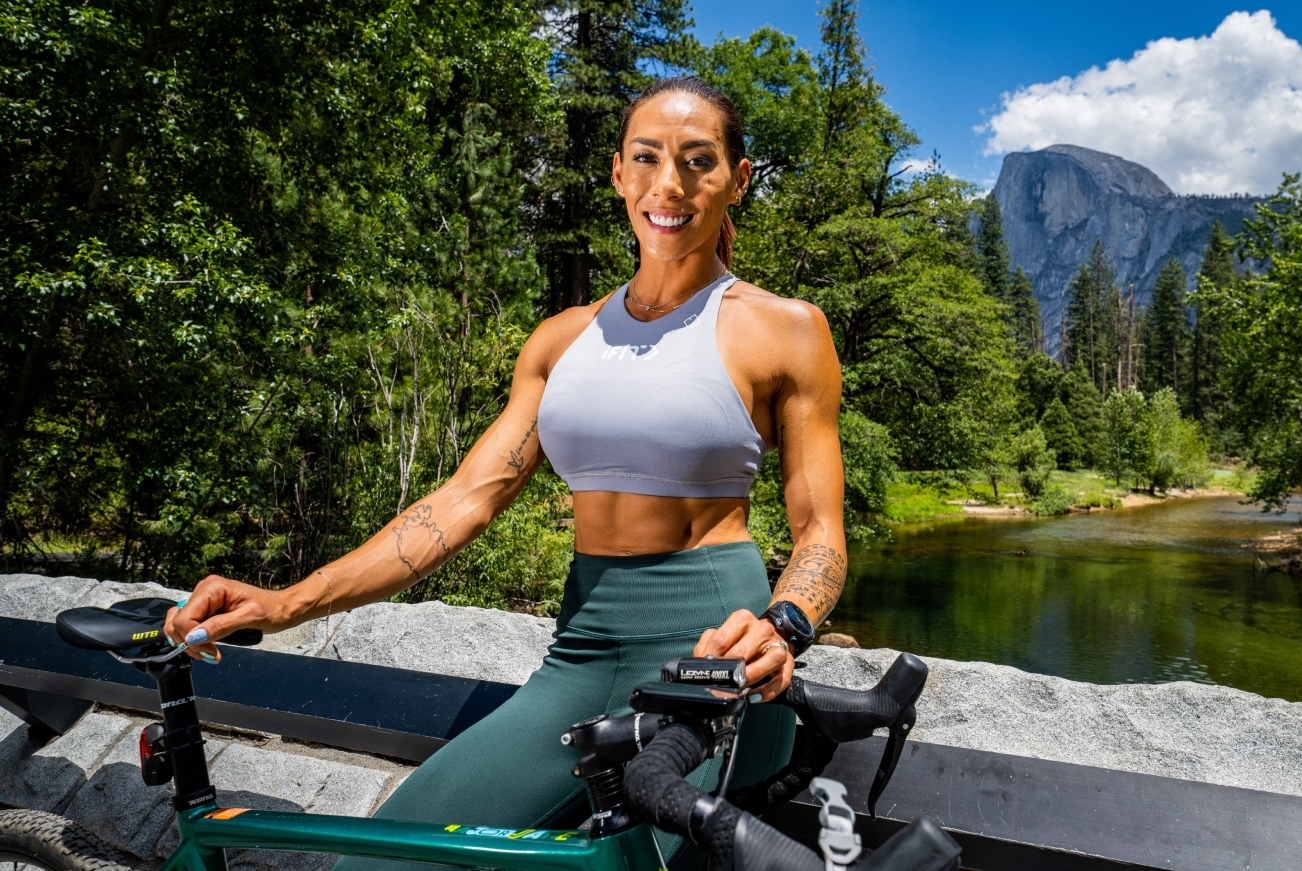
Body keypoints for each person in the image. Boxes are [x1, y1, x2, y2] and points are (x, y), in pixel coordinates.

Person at [163, 76, 847, 867]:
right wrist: (286, 603)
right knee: (381, 859)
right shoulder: (561, 341)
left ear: (738, 178)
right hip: (579, 657)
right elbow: (460, 502)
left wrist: (781, 626)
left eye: (698, 161)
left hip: (712, 660)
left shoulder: (785, 330)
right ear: (618, 173)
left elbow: (820, 533)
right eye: (647, 158)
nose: (669, 184)